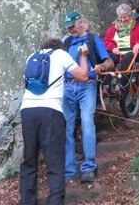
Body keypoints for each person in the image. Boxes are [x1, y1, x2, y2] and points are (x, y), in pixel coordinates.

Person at [20, 38, 89, 205]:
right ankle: (55, 200)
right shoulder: (61, 55)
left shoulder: (32, 57)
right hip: (50, 110)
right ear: (60, 47)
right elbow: (83, 76)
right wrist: (84, 56)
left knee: (29, 158)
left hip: (27, 109)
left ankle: (27, 201)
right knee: (54, 158)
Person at [62, 12, 114, 184]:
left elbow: (110, 63)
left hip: (88, 86)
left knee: (86, 122)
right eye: (68, 27)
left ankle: (89, 167)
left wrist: (100, 66)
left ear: (81, 22)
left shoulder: (92, 39)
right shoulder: (66, 42)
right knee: (67, 127)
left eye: (73, 25)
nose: (70, 29)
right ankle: (69, 170)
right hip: (68, 86)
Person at [103, 3, 139, 92]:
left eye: (125, 17)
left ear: (130, 16)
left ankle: (121, 85)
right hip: (118, 53)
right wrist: (112, 48)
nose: (122, 20)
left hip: (135, 52)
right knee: (109, 58)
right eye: (120, 17)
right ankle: (106, 85)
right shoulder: (113, 28)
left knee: (128, 57)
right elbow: (106, 40)